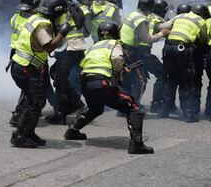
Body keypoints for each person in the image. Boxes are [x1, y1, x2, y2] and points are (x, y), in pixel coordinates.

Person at [64, 21, 154, 154]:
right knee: (133, 106)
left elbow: (87, 64)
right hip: (101, 82)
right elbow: (117, 59)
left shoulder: (94, 46)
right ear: (116, 33)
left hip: (85, 82)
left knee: (95, 107)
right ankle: (136, 145)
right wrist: (118, 74)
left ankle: (72, 130)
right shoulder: (114, 44)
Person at [10, 0, 71, 148]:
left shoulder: (35, 17)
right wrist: (62, 33)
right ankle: (20, 136)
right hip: (26, 67)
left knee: (36, 101)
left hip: (23, 65)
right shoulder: (42, 24)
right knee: (35, 102)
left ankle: (28, 132)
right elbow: (49, 46)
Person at [8, 0, 55, 126]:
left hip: (17, 52)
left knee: (31, 87)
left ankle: (20, 114)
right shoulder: (35, 19)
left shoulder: (16, 16)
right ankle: (20, 116)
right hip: (30, 54)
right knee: (34, 86)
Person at [158, 4, 208, 122]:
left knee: (171, 79)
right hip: (183, 49)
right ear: (201, 14)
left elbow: (163, 26)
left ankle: (165, 110)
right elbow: (204, 39)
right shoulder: (200, 20)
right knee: (187, 80)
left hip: (169, 48)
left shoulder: (181, 16)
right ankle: (189, 113)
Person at [45, 0, 86, 125]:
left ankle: (60, 115)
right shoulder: (73, 5)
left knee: (60, 82)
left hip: (68, 48)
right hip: (78, 48)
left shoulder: (57, 6)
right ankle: (76, 101)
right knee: (55, 72)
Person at [120, 0, 169, 107]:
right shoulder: (146, 19)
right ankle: (150, 104)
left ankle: (123, 106)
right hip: (139, 53)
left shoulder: (132, 14)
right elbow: (147, 39)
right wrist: (163, 33)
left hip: (125, 50)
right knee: (143, 79)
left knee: (128, 79)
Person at [146, 0, 169, 113]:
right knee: (162, 74)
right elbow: (164, 34)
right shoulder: (158, 21)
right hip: (143, 53)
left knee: (132, 79)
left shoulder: (145, 16)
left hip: (129, 51)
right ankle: (156, 103)